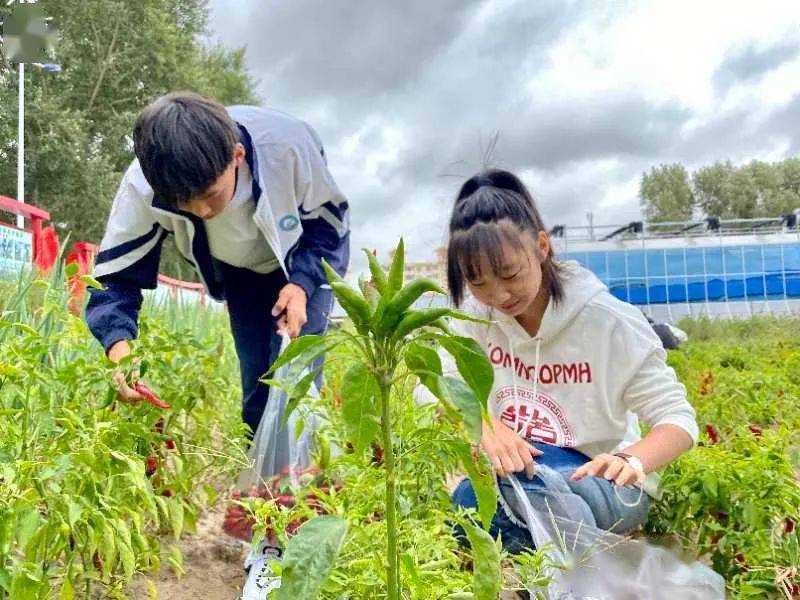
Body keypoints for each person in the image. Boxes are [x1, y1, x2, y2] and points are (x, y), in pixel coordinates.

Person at [443, 169, 698, 553]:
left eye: (509, 274)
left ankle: (565, 576)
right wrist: (482, 423)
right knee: (470, 503)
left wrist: (631, 460)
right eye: (478, 283)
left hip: (598, 480)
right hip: (514, 476)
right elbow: (437, 389)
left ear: (542, 247)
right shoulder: (473, 322)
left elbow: (678, 420)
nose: (498, 295)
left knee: (518, 493)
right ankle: (572, 570)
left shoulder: (608, 322)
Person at [85, 92, 349, 437]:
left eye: (211, 195)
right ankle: (264, 476)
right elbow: (113, 279)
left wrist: (301, 284)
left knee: (297, 374)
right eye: (184, 204)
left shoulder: (287, 149)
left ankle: (305, 472)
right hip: (239, 270)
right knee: (257, 374)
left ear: (237, 156)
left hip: (304, 256)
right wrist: (120, 350)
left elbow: (328, 229)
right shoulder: (143, 186)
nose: (203, 212)